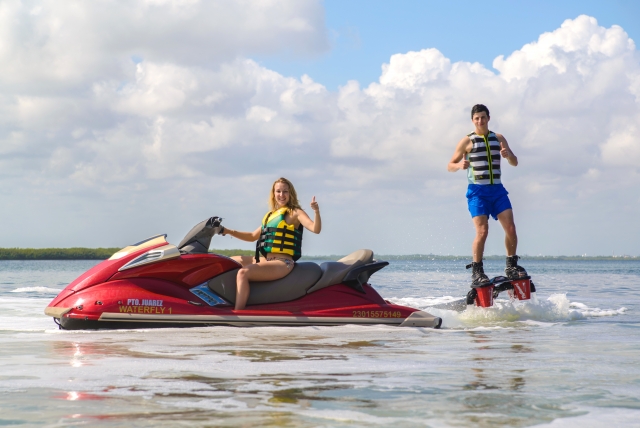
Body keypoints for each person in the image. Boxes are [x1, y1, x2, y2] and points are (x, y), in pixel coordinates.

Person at [447, 104, 527, 285]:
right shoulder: (467, 141)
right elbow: (450, 165)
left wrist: (507, 155)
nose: (480, 121)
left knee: (511, 229)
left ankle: (511, 265)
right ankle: (477, 270)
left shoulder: (498, 138)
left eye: (483, 117)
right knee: (482, 231)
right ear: (472, 120)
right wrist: (459, 166)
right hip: (477, 191)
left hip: (497, 190)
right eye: (477, 118)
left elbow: (514, 162)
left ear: (488, 118)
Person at [221, 177, 321, 310]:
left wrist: (316, 211)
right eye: (278, 191)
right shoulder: (270, 215)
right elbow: (252, 236)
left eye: (285, 191)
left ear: (290, 193)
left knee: (243, 273)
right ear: (273, 194)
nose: (281, 195)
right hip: (267, 260)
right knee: (227, 261)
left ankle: (238, 314)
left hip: (283, 263)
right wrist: (227, 231)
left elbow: (316, 229)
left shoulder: (295, 213)